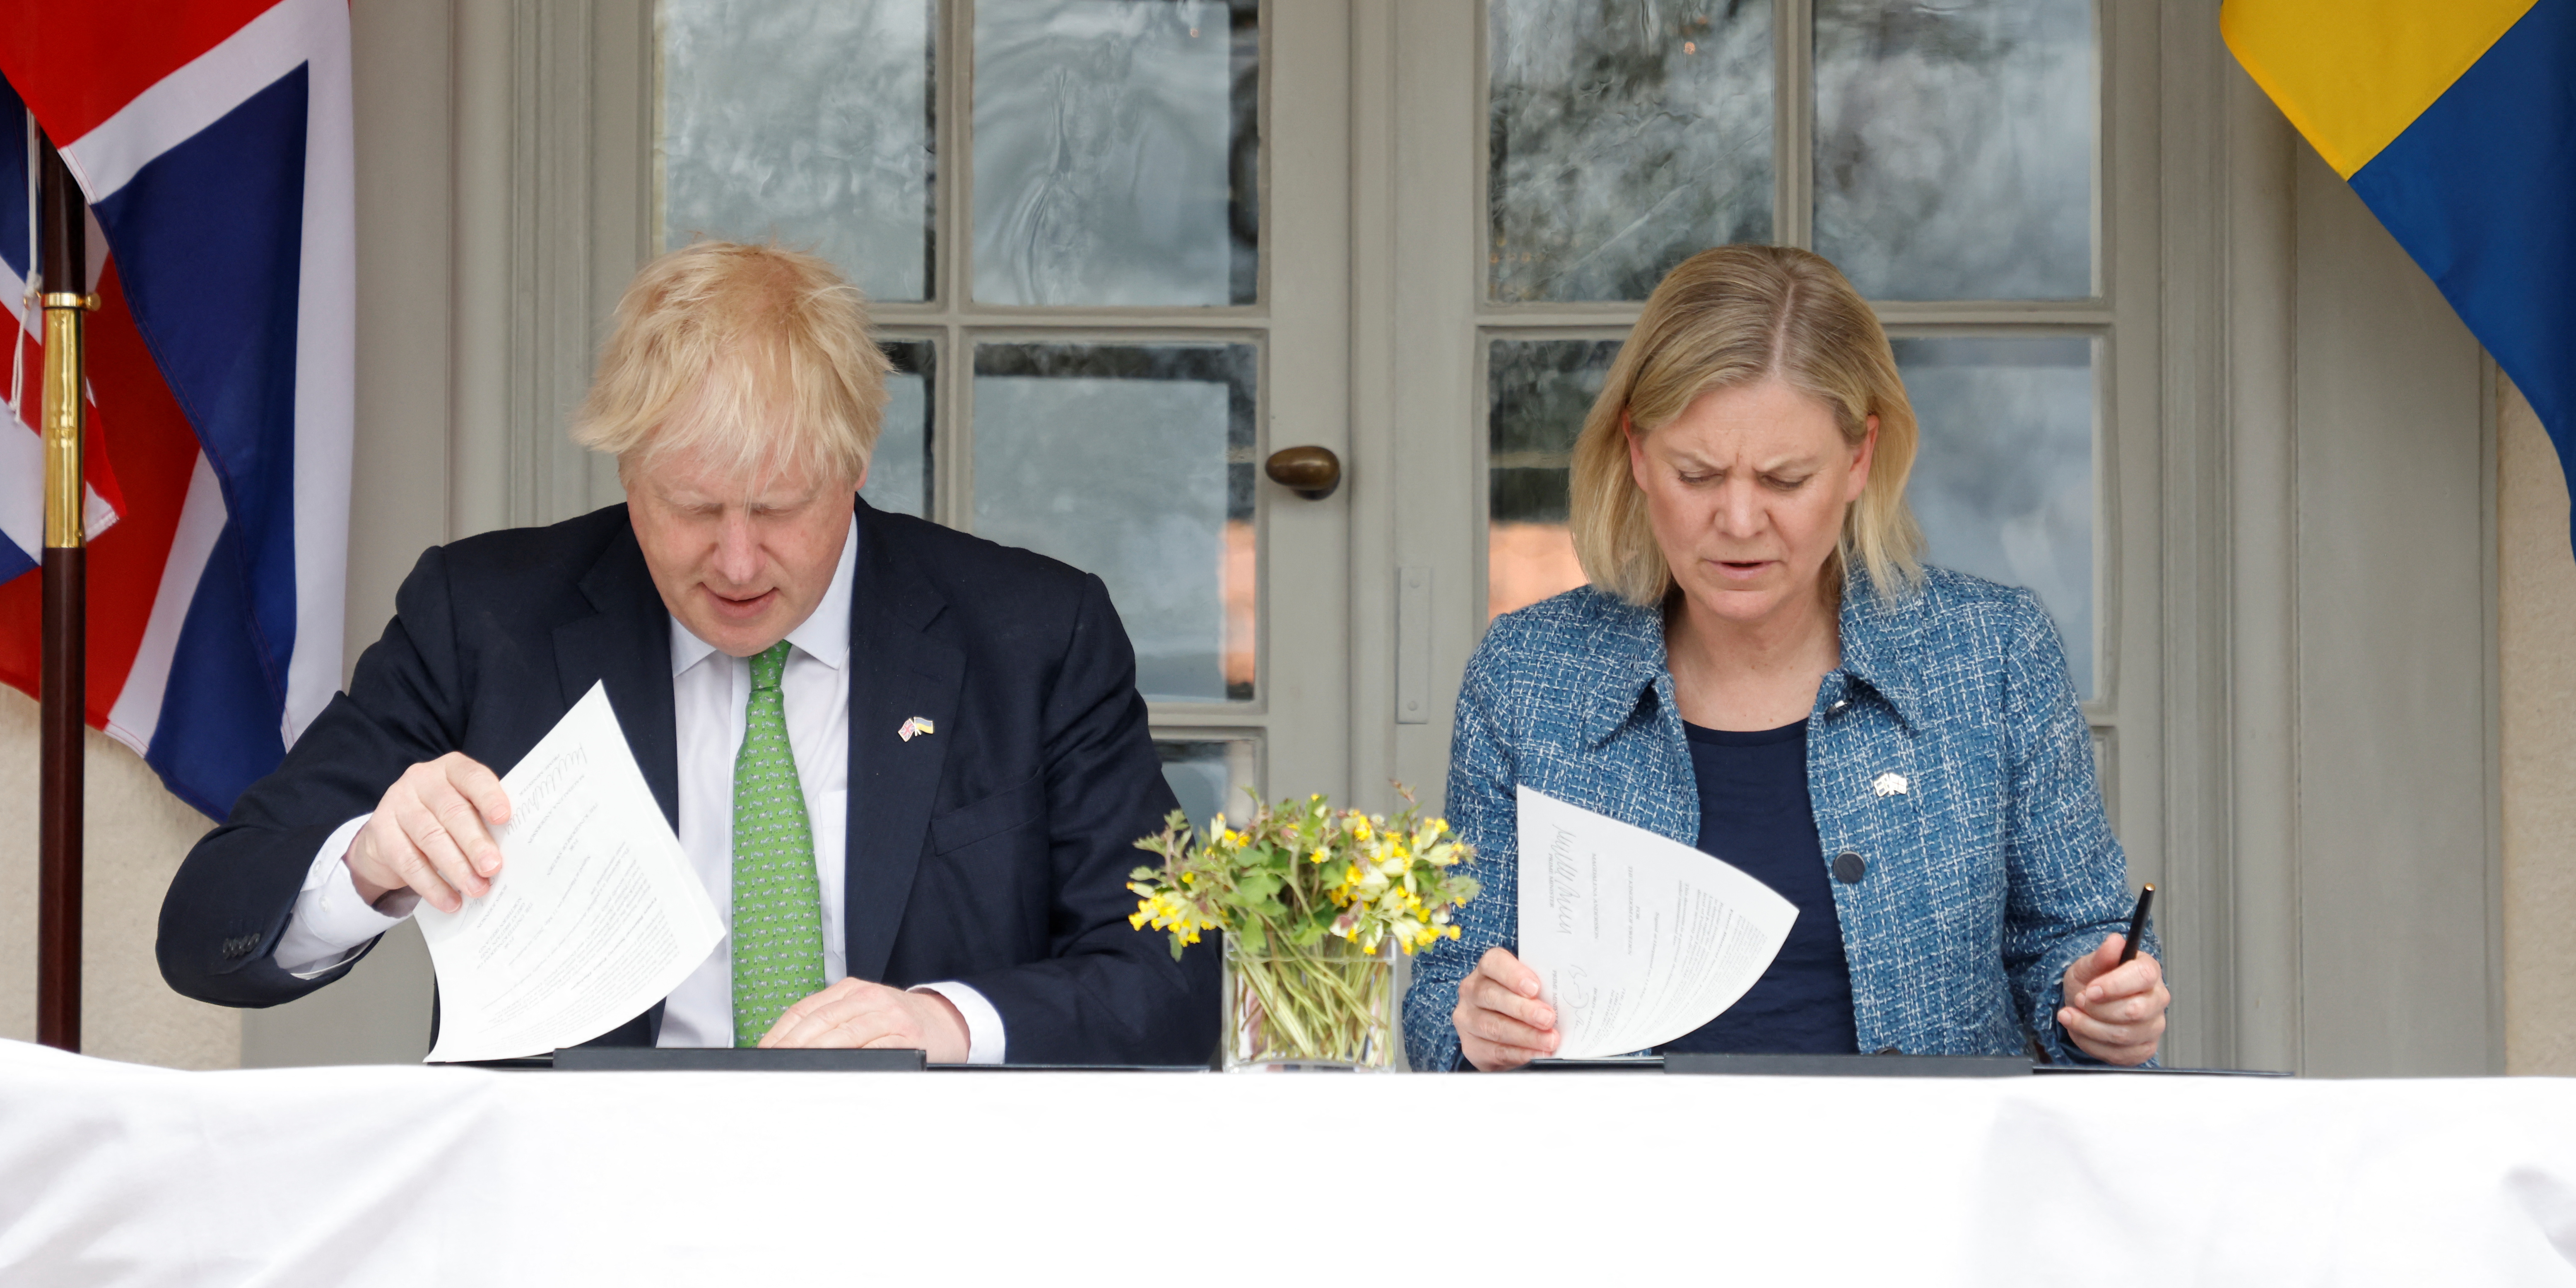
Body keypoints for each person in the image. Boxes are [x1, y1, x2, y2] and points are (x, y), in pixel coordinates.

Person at [157, 240, 1215, 1064]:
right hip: (577, 1201)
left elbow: (1173, 975)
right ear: (629, 472)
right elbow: (207, 926)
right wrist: (366, 863)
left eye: (780, 508)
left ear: (854, 464)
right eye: (694, 508)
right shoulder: (485, 618)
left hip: (922, 1195)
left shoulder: (1034, 635)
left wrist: (942, 1021)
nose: (738, 560)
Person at [1407, 245, 2165, 1070]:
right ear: (1636, 453)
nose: (1739, 521)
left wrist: (2098, 1006)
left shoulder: (1992, 655)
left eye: (1785, 479)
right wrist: (1477, 1028)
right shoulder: (1526, 676)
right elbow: (1445, 993)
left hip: (1927, 1156)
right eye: (1697, 474)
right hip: (1621, 1156)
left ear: (1859, 460)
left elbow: (2076, 942)